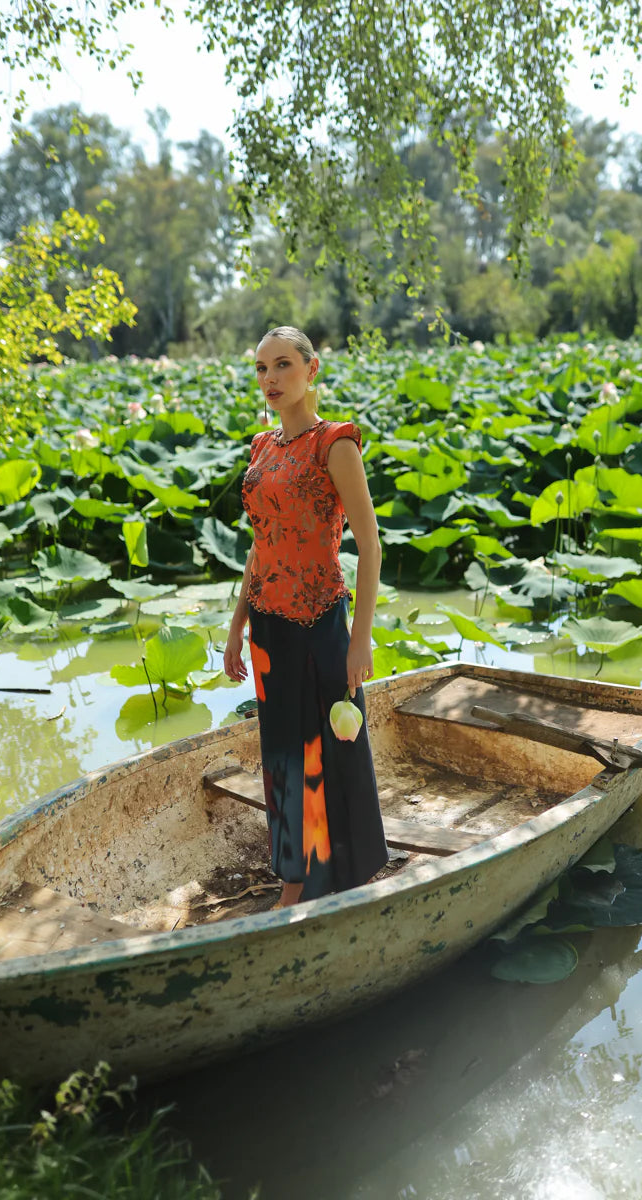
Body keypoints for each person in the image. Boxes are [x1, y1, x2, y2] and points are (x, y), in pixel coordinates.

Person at [223, 326, 388, 908]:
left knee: (328, 747)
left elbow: (370, 546)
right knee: (283, 753)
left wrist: (359, 639)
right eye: (262, 368)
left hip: (320, 620)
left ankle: (328, 873)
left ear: (311, 370)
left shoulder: (335, 444)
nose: (270, 379)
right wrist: (237, 625)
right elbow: (259, 544)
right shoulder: (261, 448)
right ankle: (298, 867)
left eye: (283, 365)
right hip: (268, 625)